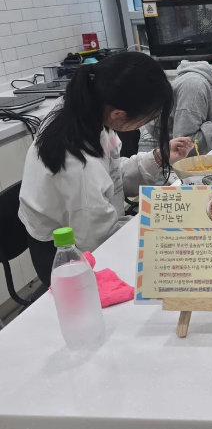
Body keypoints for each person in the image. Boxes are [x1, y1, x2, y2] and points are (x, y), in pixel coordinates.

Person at [19, 52, 192, 284]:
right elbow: (99, 245)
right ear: (118, 114)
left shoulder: (88, 111)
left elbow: (113, 176)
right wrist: (161, 232)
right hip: (68, 256)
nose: (146, 123)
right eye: (146, 118)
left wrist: (158, 158)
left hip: (91, 228)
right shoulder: (78, 167)